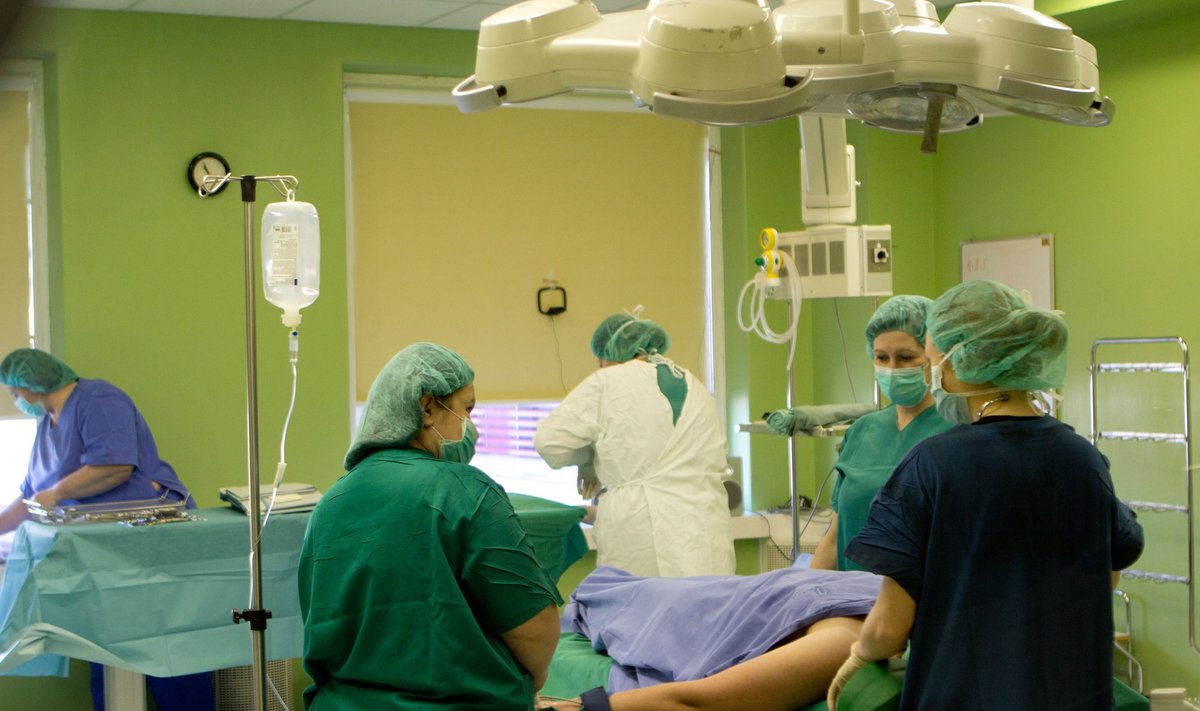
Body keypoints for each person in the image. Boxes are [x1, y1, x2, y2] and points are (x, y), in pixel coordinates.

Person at [828, 280, 1145, 710]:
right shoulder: (1083, 459)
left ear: (959, 361)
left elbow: (889, 626)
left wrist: (858, 659)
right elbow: (1106, 573)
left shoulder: (933, 465)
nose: (932, 374)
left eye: (932, 359)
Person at [299, 342, 562, 710]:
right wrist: (525, 686)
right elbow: (534, 630)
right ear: (426, 408)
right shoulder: (466, 489)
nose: (472, 427)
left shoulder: (329, 504)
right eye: (467, 410)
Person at [0, 347, 209, 711]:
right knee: (107, 660)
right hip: (102, 559)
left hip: (146, 547)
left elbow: (114, 467)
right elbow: (32, 495)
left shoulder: (99, 399)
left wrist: (57, 492)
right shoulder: (47, 425)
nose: (15, 400)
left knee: (169, 655)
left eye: (14, 393)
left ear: (30, 383)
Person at [534, 306, 735, 577]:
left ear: (608, 356)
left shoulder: (608, 382)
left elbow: (550, 444)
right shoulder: (693, 383)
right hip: (705, 530)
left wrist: (589, 460)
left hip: (641, 531)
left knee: (641, 613)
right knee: (708, 612)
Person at [768, 295, 953, 571]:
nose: (892, 369)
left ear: (934, 357)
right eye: (881, 357)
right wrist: (806, 596)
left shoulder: (956, 431)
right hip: (850, 596)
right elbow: (833, 538)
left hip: (917, 603)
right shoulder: (863, 430)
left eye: (905, 358)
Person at [539, 565, 882, 711]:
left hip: (714, 606)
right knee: (612, 595)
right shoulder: (854, 630)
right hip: (721, 597)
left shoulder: (845, 640)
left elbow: (698, 702)